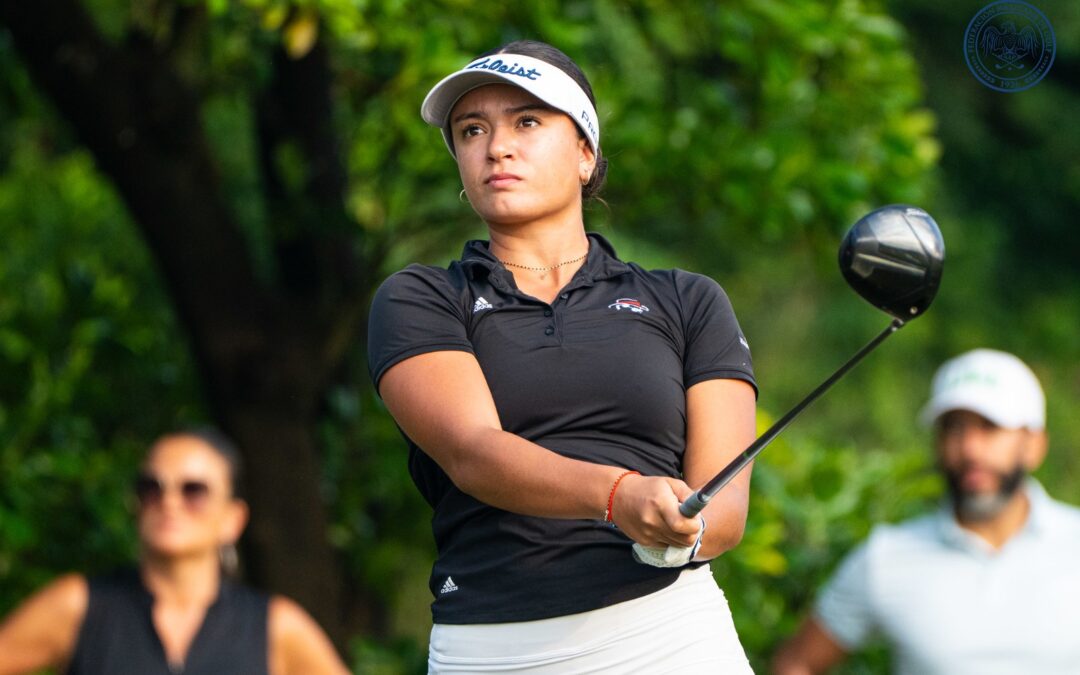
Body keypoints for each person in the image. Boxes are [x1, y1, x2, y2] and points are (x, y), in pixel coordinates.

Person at [367, 40, 758, 672]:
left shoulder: (687, 300)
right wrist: (618, 495)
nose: (497, 146)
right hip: (491, 649)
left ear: (585, 154)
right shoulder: (422, 298)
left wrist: (683, 531)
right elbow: (472, 452)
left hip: (670, 634)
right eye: (473, 130)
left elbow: (726, 510)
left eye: (527, 122)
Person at [771, 348, 1080, 675]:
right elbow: (796, 663)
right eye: (953, 427)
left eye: (990, 427)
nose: (970, 448)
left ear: (1034, 445)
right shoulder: (885, 556)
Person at [0, 428, 350, 675]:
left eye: (193, 490)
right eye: (151, 487)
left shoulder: (275, 625)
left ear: (233, 518)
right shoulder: (80, 606)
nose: (169, 502)